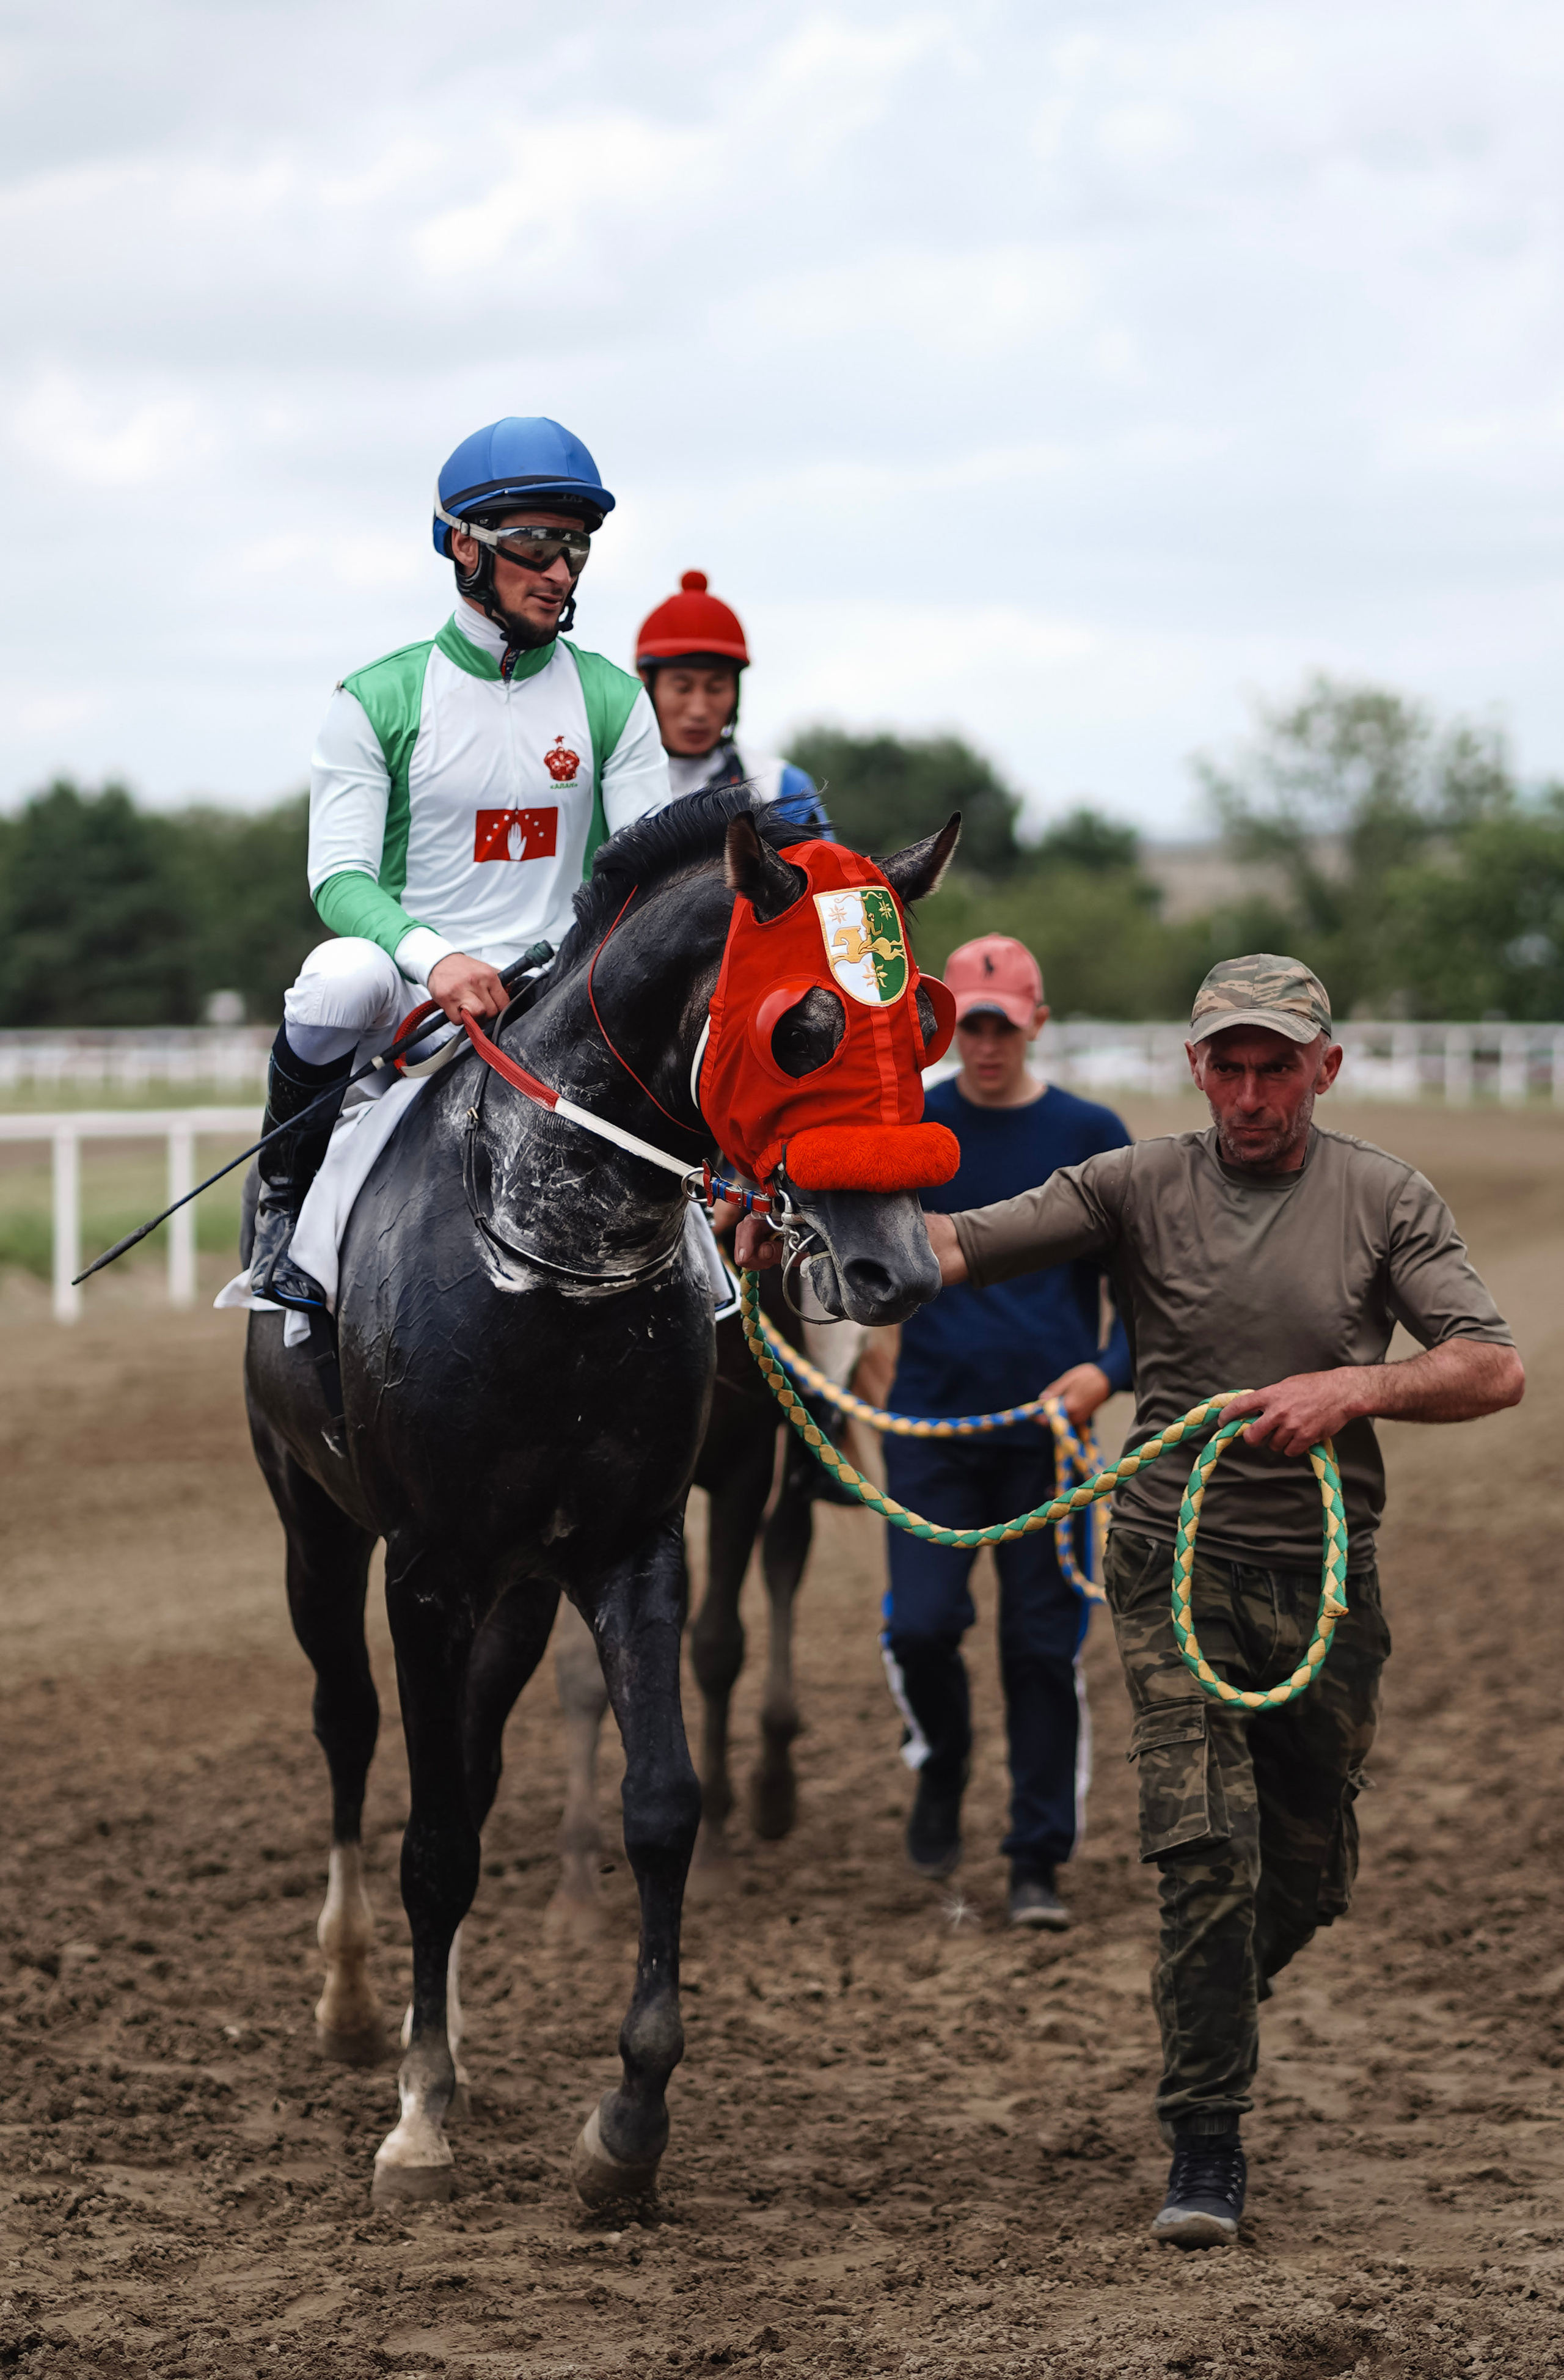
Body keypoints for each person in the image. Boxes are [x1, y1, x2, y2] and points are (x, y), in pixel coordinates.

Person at [908, 954, 1524, 2248]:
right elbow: (954, 1243)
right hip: (1168, 1562)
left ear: (1323, 1067)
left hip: (1326, 1578)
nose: (1249, 1095)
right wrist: (807, 1230)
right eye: (1227, 1068)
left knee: (1303, 1873)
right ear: (1195, 1067)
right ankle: (1204, 2139)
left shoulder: (1382, 1197)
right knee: (1205, 1857)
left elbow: (1489, 1366)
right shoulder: (1132, 1184)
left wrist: (1353, 1389)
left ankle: (1211, 2009)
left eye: (1274, 1069)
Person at [250, 416, 671, 1311]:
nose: (561, 571)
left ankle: (707, 1257)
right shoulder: (375, 698)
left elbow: (649, 875)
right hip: (414, 996)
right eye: (537, 545)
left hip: (563, 994)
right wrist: (437, 959)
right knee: (334, 979)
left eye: (576, 548)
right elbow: (340, 879)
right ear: (464, 547)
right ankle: (284, 1203)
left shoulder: (615, 700)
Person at [878, 935, 1131, 1932]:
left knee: (1040, 1649)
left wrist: (1105, 1373)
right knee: (919, 1626)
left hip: (1049, 1443)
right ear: (948, 1027)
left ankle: (1036, 1858)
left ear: (1037, 1025)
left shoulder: (1092, 1133)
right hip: (928, 1428)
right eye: (971, 1026)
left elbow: (1146, 1296)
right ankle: (941, 1761)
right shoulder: (911, 1123)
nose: (986, 1045)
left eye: (1004, 1027)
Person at [635, 571, 831, 836]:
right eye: (682, 688)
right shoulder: (607, 780)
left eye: (716, 689)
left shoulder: (782, 787)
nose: (698, 710)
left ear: (736, 690)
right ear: (647, 683)